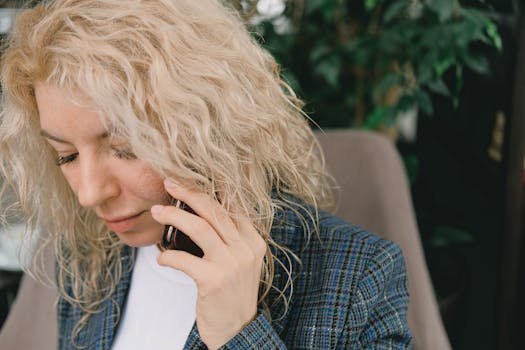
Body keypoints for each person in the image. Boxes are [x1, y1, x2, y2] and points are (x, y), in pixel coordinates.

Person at [0, 0, 411, 349]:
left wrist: (238, 331)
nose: (90, 194)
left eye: (126, 149)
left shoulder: (362, 275)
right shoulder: (92, 256)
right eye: (66, 156)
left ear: (209, 124)